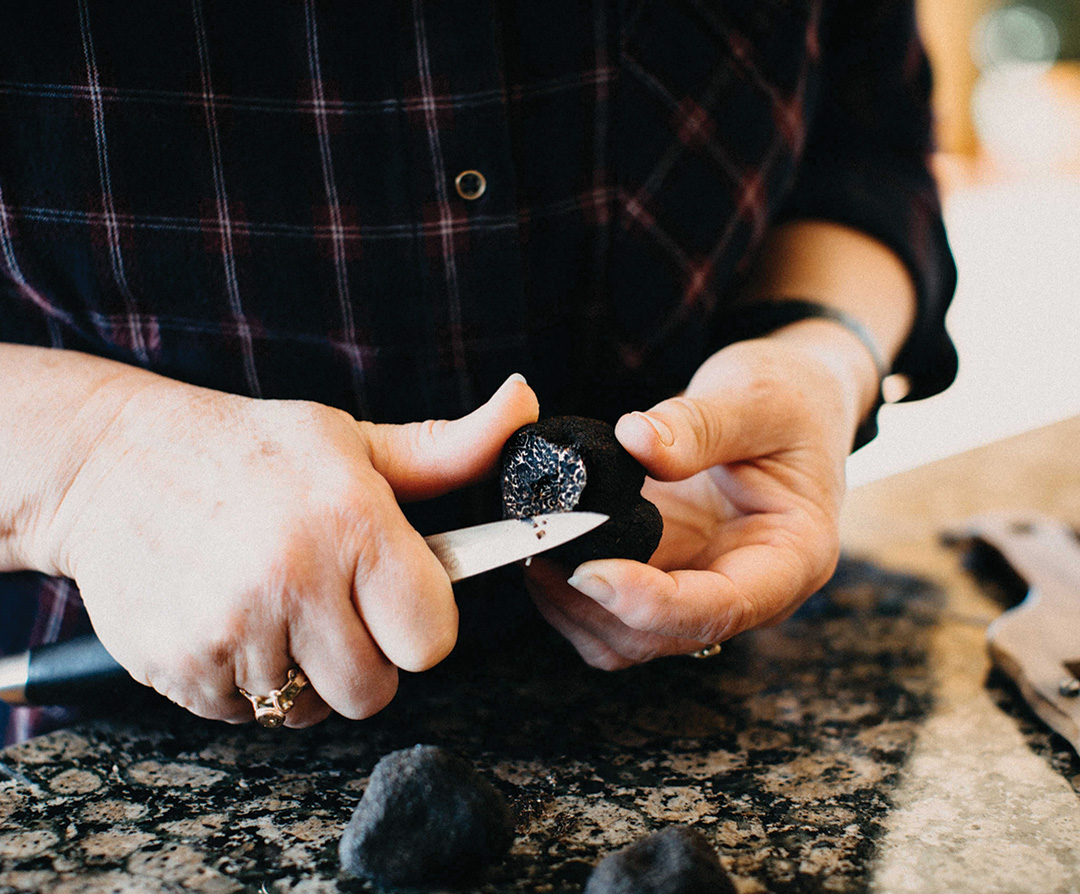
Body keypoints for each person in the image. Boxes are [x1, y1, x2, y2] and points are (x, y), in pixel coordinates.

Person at [0, 1, 957, 742]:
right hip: (113, 731)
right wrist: (92, 464)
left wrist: (815, 359)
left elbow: (866, 154)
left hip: (703, 671)